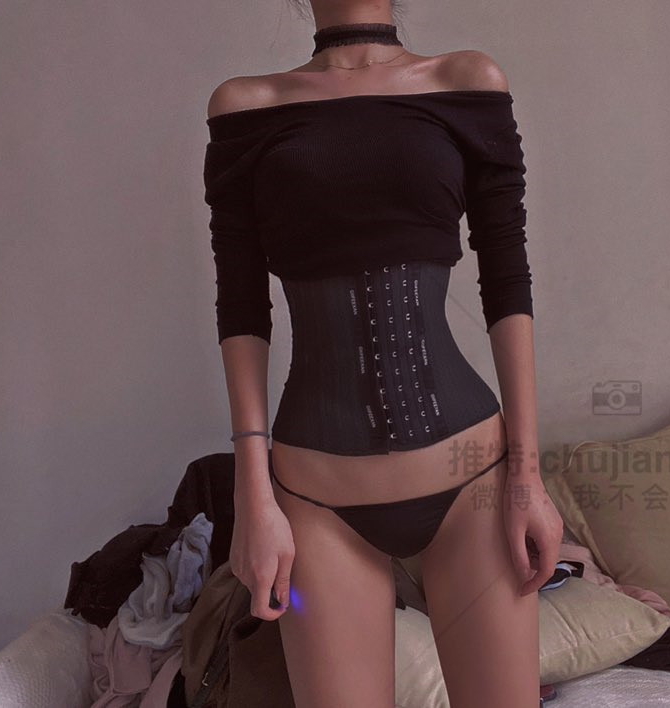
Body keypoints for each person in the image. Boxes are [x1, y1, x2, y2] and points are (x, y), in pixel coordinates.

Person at [203, 2, 563, 706]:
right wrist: (253, 495)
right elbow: (241, 306)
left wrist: (528, 476)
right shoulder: (246, 106)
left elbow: (508, 283)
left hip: (473, 483)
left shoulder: (467, 81)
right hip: (315, 502)